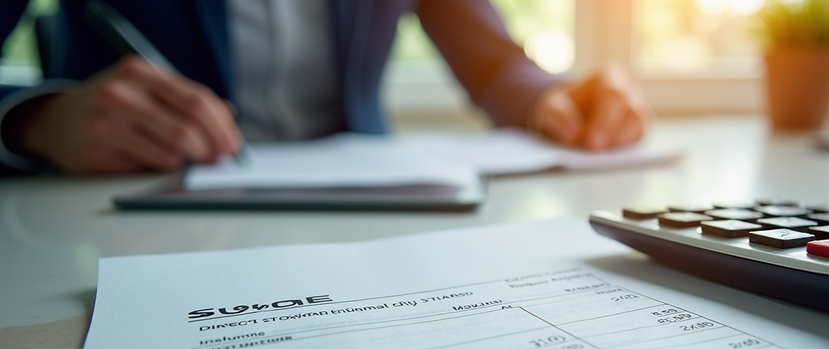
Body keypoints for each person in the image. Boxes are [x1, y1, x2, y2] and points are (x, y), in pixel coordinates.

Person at [0, 0, 649, 175]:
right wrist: (36, 120)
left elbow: (493, 64)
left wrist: (547, 98)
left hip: (358, 209)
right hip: (127, 206)